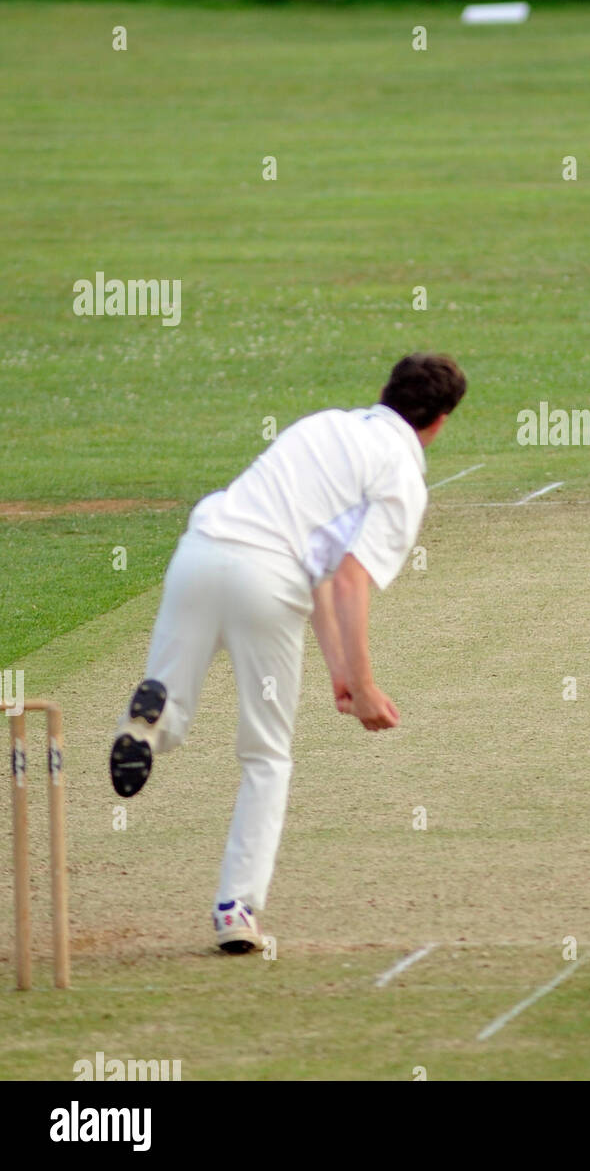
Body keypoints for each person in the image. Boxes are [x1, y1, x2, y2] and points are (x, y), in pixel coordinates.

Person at [109, 353, 467, 953]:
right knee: (266, 755)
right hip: (267, 582)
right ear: (441, 421)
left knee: (169, 712)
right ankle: (235, 909)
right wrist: (366, 684)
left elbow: (325, 571)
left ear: (385, 393)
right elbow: (350, 578)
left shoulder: (324, 425)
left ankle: (150, 726)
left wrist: (340, 672)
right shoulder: (403, 476)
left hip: (200, 551)